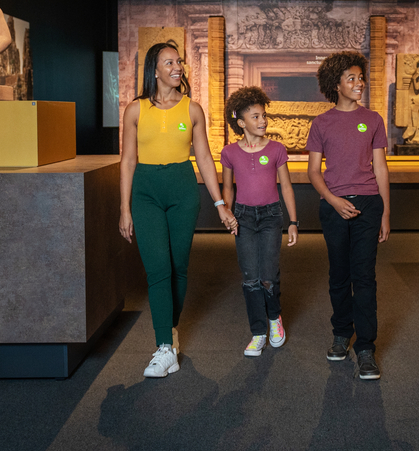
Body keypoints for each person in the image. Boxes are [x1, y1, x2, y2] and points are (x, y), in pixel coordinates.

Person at [119, 42, 238, 378]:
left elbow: (203, 159)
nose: (177, 67)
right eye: (169, 62)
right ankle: (164, 347)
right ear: (154, 70)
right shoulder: (136, 110)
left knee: (177, 266)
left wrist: (219, 204)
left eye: (179, 62)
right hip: (146, 192)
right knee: (157, 267)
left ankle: (169, 332)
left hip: (183, 189)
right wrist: (124, 209)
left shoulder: (193, 109)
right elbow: (128, 161)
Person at [305, 51, 390, 380]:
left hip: (369, 204)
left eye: (360, 77)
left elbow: (381, 167)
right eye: (351, 78)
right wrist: (333, 200)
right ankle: (342, 334)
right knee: (339, 275)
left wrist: (386, 212)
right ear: (336, 84)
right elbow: (313, 171)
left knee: (365, 277)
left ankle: (366, 347)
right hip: (334, 206)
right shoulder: (322, 123)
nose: (359, 83)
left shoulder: (373, 120)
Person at [220, 86, 298, 357]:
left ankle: (274, 317)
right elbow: (227, 188)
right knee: (249, 277)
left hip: (270, 216)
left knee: (268, 275)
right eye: (255, 117)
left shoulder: (277, 149)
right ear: (241, 123)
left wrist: (293, 221)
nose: (262, 121)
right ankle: (258, 332)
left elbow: (286, 187)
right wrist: (228, 213)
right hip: (243, 217)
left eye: (263, 115)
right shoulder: (229, 152)